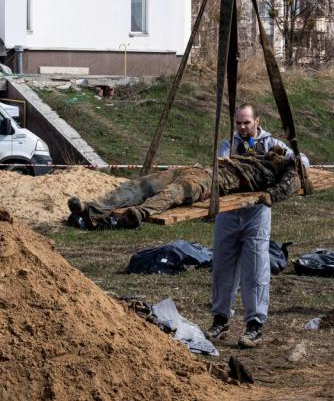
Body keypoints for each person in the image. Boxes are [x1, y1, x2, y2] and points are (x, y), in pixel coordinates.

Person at [207, 103, 309, 349]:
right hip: (229, 214)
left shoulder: (270, 144)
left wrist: (289, 165)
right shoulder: (228, 145)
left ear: (257, 121)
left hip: (256, 214)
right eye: (239, 123)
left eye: (247, 123)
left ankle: (254, 325)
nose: (243, 127)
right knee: (223, 267)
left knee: (255, 269)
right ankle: (220, 319)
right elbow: (220, 167)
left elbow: (302, 159)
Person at [67, 148, 300, 230]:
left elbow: (286, 187)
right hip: (197, 168)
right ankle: (92, 210)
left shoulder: (289, 172)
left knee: (175, 193)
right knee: (140, 185)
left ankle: (140, 214)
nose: (280, 155)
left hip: (215, 181)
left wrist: (269, 196)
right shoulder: (264, 154)